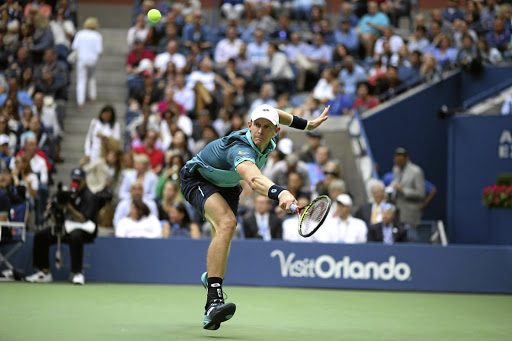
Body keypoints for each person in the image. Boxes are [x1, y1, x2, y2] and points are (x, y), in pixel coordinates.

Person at [179, 103, 329, 330]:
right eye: (256, 125)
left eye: (266, 127)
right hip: (198, 178)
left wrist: (306, 125)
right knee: (227, 224)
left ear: (275, 131)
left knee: (225, 230)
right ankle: (213, 303)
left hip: (227, 184)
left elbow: (276, 114)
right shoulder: (240, 148)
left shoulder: (271, 133)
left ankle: (210, 288)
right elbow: (254, 180)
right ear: (249, 125)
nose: (260, 131)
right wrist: (281, 192)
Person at [25, 168, 100, 285]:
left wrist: (68, 207)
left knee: (76, 236)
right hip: (67, 227)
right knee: (41, 235)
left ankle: (77, 273)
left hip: (86, 230)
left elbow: (83, 219)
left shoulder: (90, 196)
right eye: (74, 180)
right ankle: (44, 272)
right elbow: (58, 217)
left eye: (79, 181)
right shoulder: (69, 194)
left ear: (85, 180)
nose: (76, 183)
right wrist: (55, 207)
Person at [388, 147, 425, 230]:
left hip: (410, 214)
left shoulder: (416, 171)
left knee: (410, 237)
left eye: (400, 161)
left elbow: (421, 193)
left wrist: (403, 190)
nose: (398, 163)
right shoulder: (396, 169)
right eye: (396, 161)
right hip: (396, 212)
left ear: (406, 159)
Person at [71, 17, 103, 110]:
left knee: (81, 80)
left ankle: (80, 102)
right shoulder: (97, 35)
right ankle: (93, 96)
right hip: (92, 60)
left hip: (82, 60)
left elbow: (74, 47)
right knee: (92, 78)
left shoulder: (80, 34)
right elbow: (99, 50)